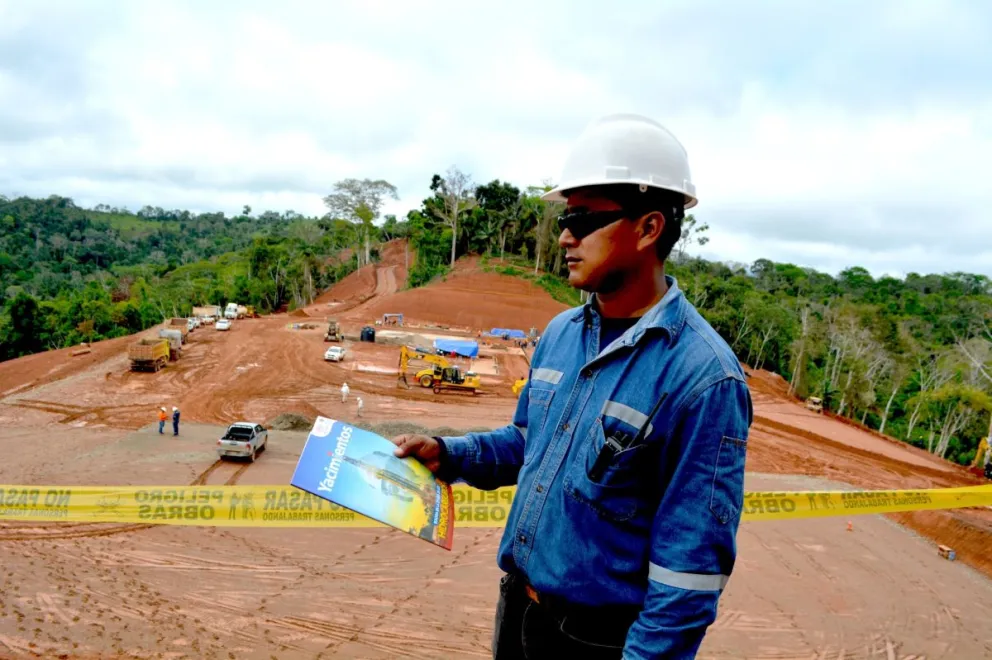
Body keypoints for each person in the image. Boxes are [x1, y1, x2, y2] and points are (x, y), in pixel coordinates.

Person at [391, 113, 753, 659]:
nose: (564, 235)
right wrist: (450, 454)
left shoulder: (704, 379)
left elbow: (690, 576)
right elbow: (528, 442)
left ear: (650, 228)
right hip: (520, 611)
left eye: (583, 219)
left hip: (596, 642)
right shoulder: (561, 333)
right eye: (566, 217)